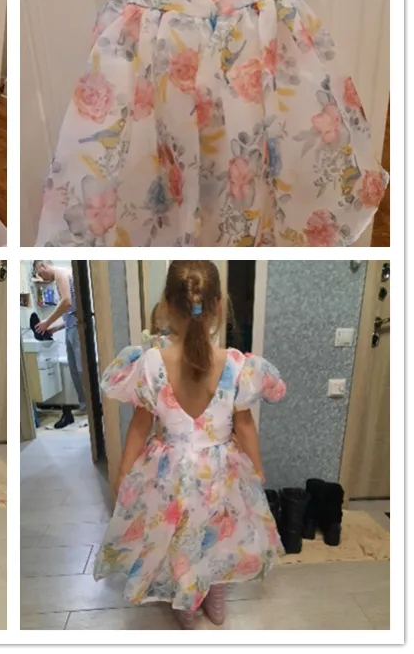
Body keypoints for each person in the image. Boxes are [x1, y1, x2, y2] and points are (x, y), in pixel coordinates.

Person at [92, 260, 286, 629]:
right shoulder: (236, 364)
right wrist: (257, 470)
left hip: (170, 473)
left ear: (166, 305)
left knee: (178, 536)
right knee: (219, 534)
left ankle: (185, 603)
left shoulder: (151, 362)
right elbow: (244, 426)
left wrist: (123, 473)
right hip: (221, 472)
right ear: (218, 306)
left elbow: (139, 426)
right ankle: (215, 599)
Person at [34, 261, 85, 429]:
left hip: (77, 328)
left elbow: (67, 302)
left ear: (42, 266)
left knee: (81, 369)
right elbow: (73, 311)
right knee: (75, 370)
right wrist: (56, 327)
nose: (42, 278)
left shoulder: (61, 274)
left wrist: (47, 322)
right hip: (72, 327)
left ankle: (92, 408)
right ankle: (85, 406)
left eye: (40, 274)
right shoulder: (62, 276)